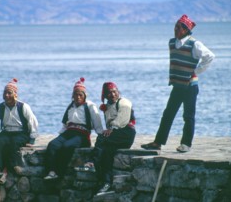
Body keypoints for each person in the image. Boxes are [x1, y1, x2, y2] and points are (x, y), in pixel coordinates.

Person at [141, 14, 215, 153]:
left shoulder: (195, 44)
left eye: (179, 27)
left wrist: (197, 71)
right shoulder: (172, 42)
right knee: (168, 114)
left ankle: (186, 144)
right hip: (177, 85)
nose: (175, 29)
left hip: (190, 86)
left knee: (188, 116)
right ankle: (158, 142)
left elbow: (210, 56)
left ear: (186, 29)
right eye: (175, 26)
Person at [76, 82, 136, 195]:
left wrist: (112, 128)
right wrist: (110, 129)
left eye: (114, 92)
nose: (113, 95)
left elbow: (122, 120)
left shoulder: (124, 103)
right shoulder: (107, 107)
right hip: (115, 136)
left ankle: (92, 162)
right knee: (107, 154)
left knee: (102, 138)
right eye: (109, 93)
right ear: (105, 95)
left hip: (126, 133)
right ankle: (106, 183)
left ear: (118, 92)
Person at [43, 77, 103, 180]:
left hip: (82, 135)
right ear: (72, 95)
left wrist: (101, 135)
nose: (78, 97)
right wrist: (59, 137)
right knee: (53, 145)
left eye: (80, 94)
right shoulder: (70, 107)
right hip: (68, 132)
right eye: (76, 94)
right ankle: (51, 171)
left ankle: (59, 173)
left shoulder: (90, 106)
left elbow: (97, 123)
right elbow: (65, 125)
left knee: (67, 146)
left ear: (85, 95)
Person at [0, 78, 38, 184]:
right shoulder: (0, 107)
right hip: (6, 132)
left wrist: (32, 139)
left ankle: (6, 171)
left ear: (15, 94)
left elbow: (32, 122)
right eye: (5, 93)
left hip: (21, 133)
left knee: (13, 144)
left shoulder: (23, 106)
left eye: (9, 93)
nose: (6, 95)